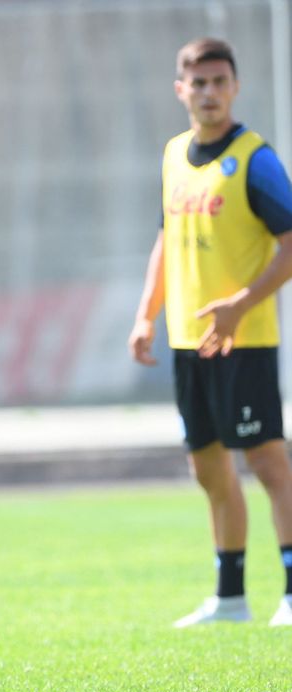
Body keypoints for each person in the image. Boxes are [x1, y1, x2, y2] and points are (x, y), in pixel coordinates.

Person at [128, 37, 292, 628]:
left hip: (244, 340)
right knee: (207, 468)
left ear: (235, 87)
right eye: (198, 83)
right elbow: (166, 242)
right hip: (187, 342)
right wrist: (146, 315)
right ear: (181, 90)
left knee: (269, 464)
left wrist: (240, 305)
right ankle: (230, 598)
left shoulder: (255, 158)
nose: (209, 92)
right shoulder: (173, 154)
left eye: (219, 81)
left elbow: (290, 246)